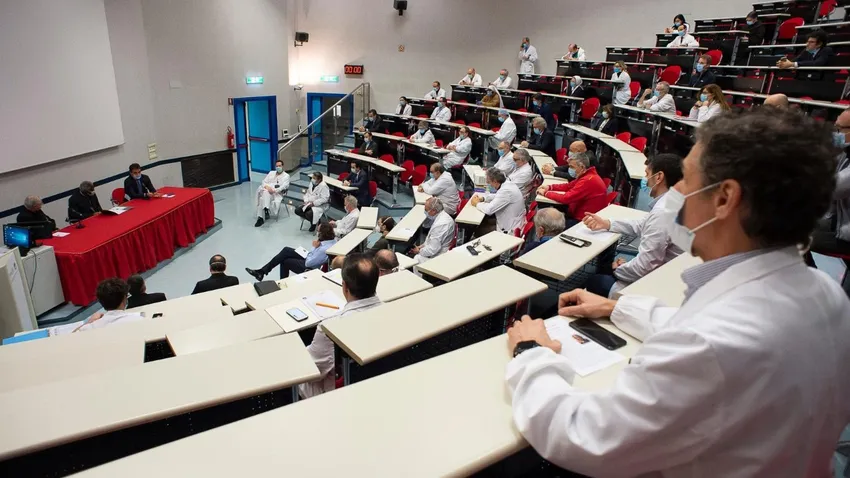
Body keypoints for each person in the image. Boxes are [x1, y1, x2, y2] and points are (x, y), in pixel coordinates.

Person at [505, 107, 850, 477]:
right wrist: (615, 307)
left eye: (687, 178)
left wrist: (531, 353)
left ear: (724, 199)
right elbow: (701, 329)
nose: (678, 191)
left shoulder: (711, 344)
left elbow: (583, 436)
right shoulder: (826, 294)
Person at [582, 153, 685, 298]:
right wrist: (607, 224)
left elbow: (645, 266)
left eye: (647, 174)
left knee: (595, 281)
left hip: (659, 285)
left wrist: (617, 269)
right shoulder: (676, 201)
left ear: (659, 177)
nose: (645, 180)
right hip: (670, 275)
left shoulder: (662, 212)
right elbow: (643, 225)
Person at [299, 253, 383, 398]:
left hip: (341, 395)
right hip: (380, 382)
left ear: (344, 287)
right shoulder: (392, 312)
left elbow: (312, 372)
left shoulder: (329, 328)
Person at [807, 109, 850, 277]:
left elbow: (832, 188)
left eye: (839, 129)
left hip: (845, 234)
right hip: (837, 221)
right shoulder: (844, 149)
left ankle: (812, 283)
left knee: (790, 234)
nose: (835, 133)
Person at [49, 278, 145, 336]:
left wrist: (89, 323)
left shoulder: (91, 327)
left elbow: (70, 338)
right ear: (124, 299)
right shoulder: (138, 319)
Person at [246, 223, 336, 281]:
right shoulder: (331, 241)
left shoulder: (323, 249)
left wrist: (314, 248)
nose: (317, 233)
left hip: (310, 266)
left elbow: (308, 263)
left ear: (322, 234)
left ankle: (279, 282)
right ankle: (262, 271)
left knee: (285, 261)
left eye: (318, 231)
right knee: (286, 250)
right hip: (311, 257)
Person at [537, 151, 607, 224]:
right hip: (577, 212)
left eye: (572, 167)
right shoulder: (587, 175)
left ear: (582, 167)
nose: (570, 169)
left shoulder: (588, 180)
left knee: (548, 223)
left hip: (583, 221)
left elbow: (566, 198)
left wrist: (546, 193)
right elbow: (568, 186)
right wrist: (549, 187)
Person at [471, 168, 526, 236]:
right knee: (484, 222)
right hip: (509, 221)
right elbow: (498, 196)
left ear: (495, 181)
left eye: (489, 182)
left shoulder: (506, 191)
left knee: (478, 231)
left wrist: (477, 204)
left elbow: (489, 210)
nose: (488, 184)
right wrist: (483, 198)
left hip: (509, 231)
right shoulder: (507, 184)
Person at [411, 198, 455, 263]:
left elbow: (432, 249)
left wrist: (419, 251)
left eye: (426, 210)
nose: (425, 212)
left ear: (433, 211)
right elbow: (431, 240)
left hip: (439, 257)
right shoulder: (443, 216)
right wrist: (421, 247)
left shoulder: (440, 225)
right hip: (438, 249)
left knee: (417, 258)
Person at [254, 160, 290, 227]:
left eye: (279, 166)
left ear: (282, 166)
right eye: (277, 166)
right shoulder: (271, 173)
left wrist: (273, 190)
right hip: (267, 191)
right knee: (264, 194)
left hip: (277, 194)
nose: (278, 167)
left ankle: (263, 214)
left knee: (262, 198)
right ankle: (263, 212)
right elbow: (264, 181)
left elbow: (283, 187)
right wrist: (267, 187)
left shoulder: (286, 176)